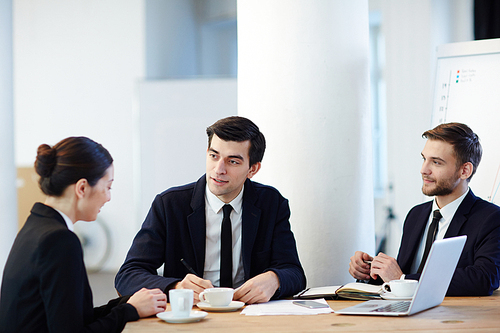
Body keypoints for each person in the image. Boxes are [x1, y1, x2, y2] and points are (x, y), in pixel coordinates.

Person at [115, 116, 306, 304]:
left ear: (252, 169)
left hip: (248, 315)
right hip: (191, 316)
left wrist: (274, 279)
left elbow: (294, 273)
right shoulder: (169, 204)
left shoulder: (271, 203)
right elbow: (128, 275)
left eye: (233, 161)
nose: (218, 169)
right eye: (214, 156)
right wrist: (176, 287)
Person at [0, 137, 167, 333]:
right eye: (108, 187)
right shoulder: (59, 240)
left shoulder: (36, 225)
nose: (108, 197)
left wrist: (128, 304)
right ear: (82, 188)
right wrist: (129, 310)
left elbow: (72, 319)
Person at [349, 122, 500, 296]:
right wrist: (372, 271)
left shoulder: (491, 218)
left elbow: (484, 278)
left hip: (450, 319)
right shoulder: (416, 214)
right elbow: (405, 272)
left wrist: (402, 280)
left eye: (436, 162)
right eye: (424, 159)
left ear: (464, 171)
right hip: (402, 315)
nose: (423, 170)